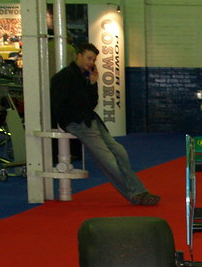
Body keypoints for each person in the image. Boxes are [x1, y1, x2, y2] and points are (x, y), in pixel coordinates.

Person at [50, 42, 159, 205]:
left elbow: (91, 103)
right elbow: (59, 106)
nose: (91, 63)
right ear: (78, 55)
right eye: (88, 58)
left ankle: (138, 191)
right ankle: (136, 193)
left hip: (91, 120)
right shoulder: (64, 77)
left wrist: (93, 84)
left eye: (93, 60)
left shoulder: (84, 76)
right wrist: (75, 119)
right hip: (80, 123)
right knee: (108, 160)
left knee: (119, 152)